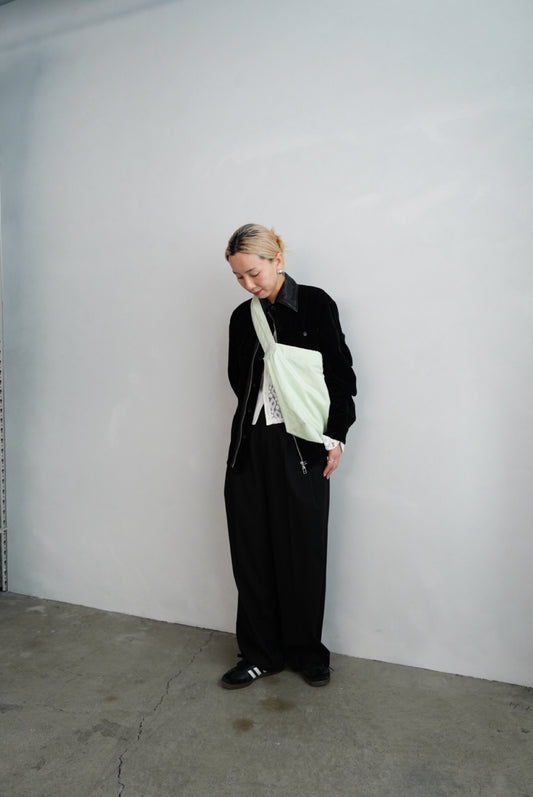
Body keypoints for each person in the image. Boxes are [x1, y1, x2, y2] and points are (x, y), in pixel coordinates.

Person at [222, 223, 356, 689]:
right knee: (252, 553)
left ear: (277, 259)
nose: (248, 284)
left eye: (254, 273)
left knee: (302, 551)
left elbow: (340, 374)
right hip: (249, 446)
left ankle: (305, 651)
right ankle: (260, 653)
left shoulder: (315, 304)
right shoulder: (242, 318)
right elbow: (238, 379)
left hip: (301, 446)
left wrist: (335, 435)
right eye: (239, 277)